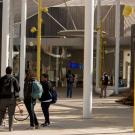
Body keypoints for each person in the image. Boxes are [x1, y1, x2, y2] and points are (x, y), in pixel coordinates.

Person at [0, 66, 20, 131]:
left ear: (6, 71)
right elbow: (17, 89)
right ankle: (10, 128)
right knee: (11, 114)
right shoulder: (14, 79)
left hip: (2, 99)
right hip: (11, 98)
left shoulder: (1, 79)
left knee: (1, 112)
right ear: (11, 72)